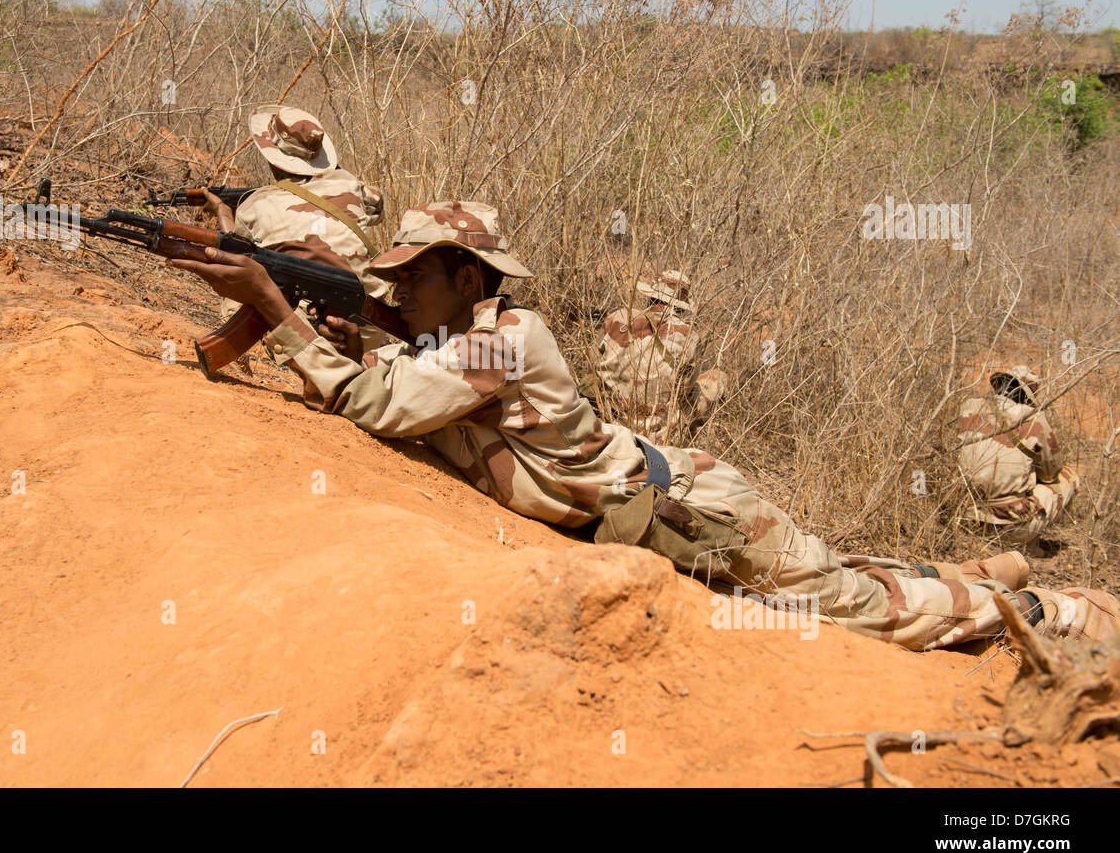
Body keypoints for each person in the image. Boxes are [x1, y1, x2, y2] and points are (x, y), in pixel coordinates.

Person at [167, 202, 1120, 650]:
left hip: (698, 511)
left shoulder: (509, 340)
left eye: (415, 274)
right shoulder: (458, 343)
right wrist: (347, 334)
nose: (395, 288)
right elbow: (404, 387)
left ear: (469, 278)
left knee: (845, 612)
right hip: (670, 497)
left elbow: (382, 407)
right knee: (831, 574)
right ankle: (986, 572)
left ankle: (1041, 610)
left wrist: (275, 309)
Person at [201, 105, 387, 338]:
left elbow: (235, 255)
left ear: (273, 157)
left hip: (307, 333)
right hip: (370, 326)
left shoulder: (257, 205)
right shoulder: (351, 184)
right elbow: (377, 206)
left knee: (245, 279)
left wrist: (222, 211)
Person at [956, 365, 1077, 557]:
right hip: (1010, 527)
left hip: (965, 519)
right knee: (1068, 478)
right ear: (1027, 395)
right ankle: (1028, 543)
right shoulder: (1033, 419)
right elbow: (1051, 473)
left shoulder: (968, 406)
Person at [595, 269, 727, 443]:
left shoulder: (619, 316)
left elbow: (595, 363)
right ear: (681, 305)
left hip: (609, 420)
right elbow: (685, 389)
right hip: (655, 434)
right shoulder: (689, 336)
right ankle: (682, 440)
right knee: (719, 379)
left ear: (651, 297)